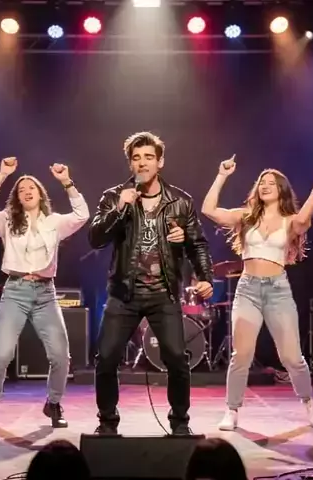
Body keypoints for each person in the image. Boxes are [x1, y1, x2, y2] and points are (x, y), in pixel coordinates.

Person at [89, 131, 214, 435]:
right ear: (130, 164)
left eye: (148, 157)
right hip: (124, 294)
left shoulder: (180, 201)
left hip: (163, 293)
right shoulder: (114, 197)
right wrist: (119, 209)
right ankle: (107, 421)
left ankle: (180, 422)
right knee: (106, 358)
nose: (142, 163)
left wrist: (205, 276)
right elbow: (96, 238)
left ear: (160, 162)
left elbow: (198, 244)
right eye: (136, 158)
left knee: (177, 358)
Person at [202, 157, 313, 430]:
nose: (265, 186)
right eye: (262, 182)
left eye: (271, 183)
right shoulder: (246, 216)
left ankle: (308, 401)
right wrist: (222, 175)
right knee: (241, 354)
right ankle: (232, 410)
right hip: (248, 289)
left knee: (291, 357)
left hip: (277, 290)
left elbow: (304, 221)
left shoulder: (289, 220)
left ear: (281, 190)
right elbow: (209, 209)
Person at [0, 157, 89, 429]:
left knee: (61, 355)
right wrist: (2, 175)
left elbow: (82, 215)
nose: (27, 191)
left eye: (31, 187)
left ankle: (54, 403)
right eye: (21, 189)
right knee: (1, 354)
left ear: (41, 193)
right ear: (17, 197)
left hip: (45, 293)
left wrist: (66, 182)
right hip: (15, 291)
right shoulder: (7, 221)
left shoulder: (54, 222)